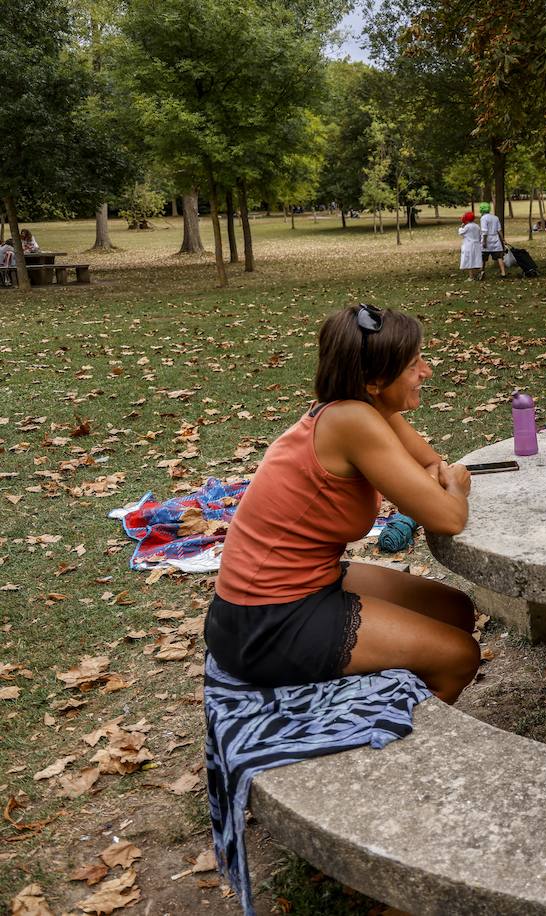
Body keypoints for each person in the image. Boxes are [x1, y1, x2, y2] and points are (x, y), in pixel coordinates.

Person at [206, 304, 481, 703]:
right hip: (265, 620)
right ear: (374, 380)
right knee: (459, 656)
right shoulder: (351, 420)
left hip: (307, 582)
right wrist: (454, 485)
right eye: (413, 364)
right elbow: (448, 517)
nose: (426, 372)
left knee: (455, 609)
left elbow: (428, 461)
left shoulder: (364, 407)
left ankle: (386, 699)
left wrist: (438, 477)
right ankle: (396, 745)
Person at [478, 202, 506, 278]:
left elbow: (485, 231)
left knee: (484, 257)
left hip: (487, 240)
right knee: (499, 257)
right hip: (496, 240)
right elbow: (499, 230)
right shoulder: (495, 217)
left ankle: (482, 271)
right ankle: (503, 272)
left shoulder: (483, 218)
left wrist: (484, 241)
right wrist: (502, 239)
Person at [458, 211, 481, 280]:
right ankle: (477, 274)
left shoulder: (467, 227)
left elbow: (461, 232)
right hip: (477, 244)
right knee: (476, 259)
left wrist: (461, 227)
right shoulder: (477, 226)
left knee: (470, 260)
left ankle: (471, 277)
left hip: (469, 245)